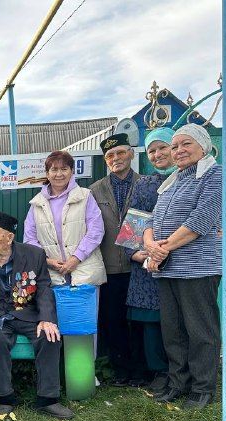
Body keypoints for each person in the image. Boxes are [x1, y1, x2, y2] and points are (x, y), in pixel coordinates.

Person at [0, 211, 73, 419]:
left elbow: (43, 288)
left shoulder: (34, 254)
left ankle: (48, 399)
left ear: (9, 237)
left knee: (49, 337)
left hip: (26, 313)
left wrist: (48, 319)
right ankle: (4, 398)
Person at [144, 123, 222, 409]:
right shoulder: (173, 181)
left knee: (201, 330)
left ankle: (203, 388)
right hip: (168, 268)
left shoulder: (215, 175)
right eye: (174, 146)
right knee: (173, 330)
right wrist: (150, 243)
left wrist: (161, 249)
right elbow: (152, 219)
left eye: (185, 144)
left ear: (203, 146)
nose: (178, 150)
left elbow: (200, 221)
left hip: (198, 268)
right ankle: (178, 383)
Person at [123, 128, 176, 394]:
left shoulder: (189, 179)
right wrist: (134, 252)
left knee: (179, 320)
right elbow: (132, 224)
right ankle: (158, 372)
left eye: (162, 148)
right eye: (152, 150)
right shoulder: (144, 184)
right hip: (147, 264)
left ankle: (180, 371)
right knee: (151, 322)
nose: (157, 155)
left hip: (180, 259)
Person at [90, 133, 143, 386]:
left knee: (140, 321)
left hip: (141, 266)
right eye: (110, 155)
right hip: (109, 266)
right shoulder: (94, 190)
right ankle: (120, 371)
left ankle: (142, 371)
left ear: (131, 153)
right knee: (113, 320)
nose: (116, 159)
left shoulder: (147, 183)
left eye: (121, 153)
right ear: (105, 160)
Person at [24, 150, 106, 287]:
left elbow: (96, 231)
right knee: (55, 309)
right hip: (52, 276)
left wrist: (76, 258)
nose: (59, 174)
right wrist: (47, 261)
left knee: (83, 309)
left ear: (72, 171)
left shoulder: (85, 196)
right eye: (54, 169)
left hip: (85, 273)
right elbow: (29, 239)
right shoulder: (36, 204)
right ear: (47, 174)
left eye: (64, 169)